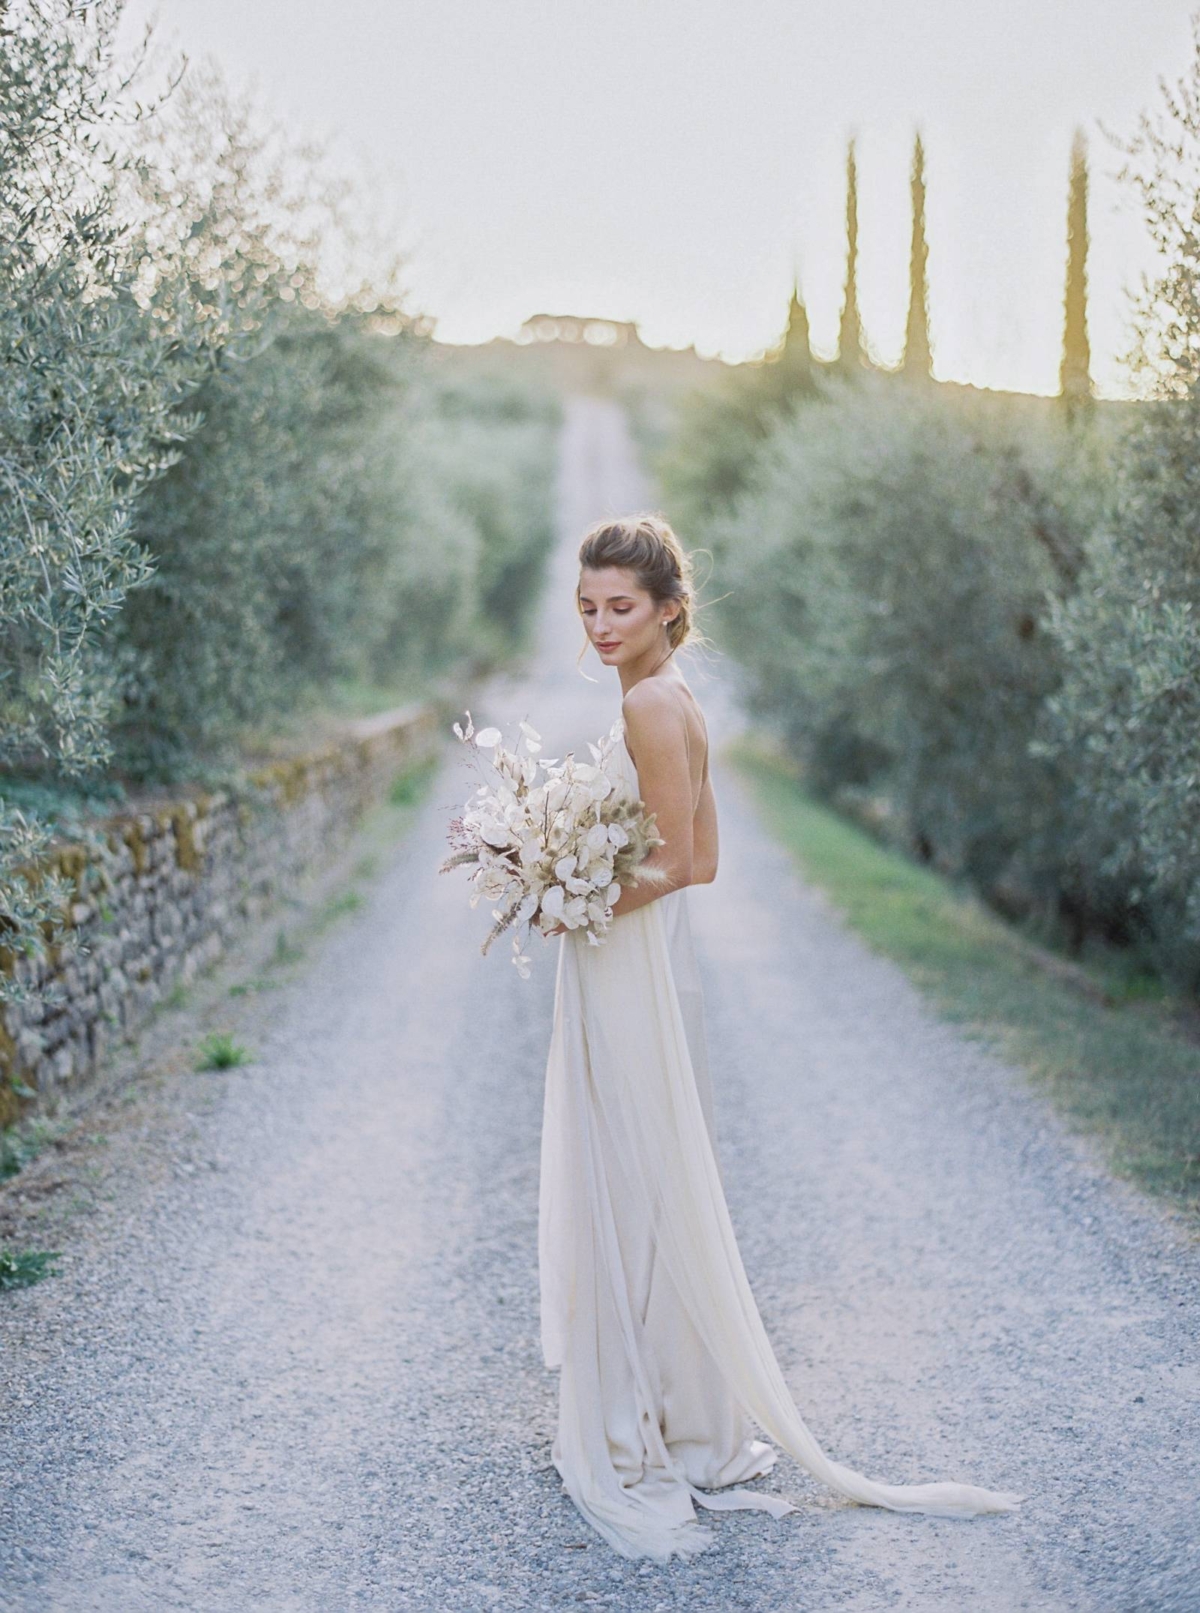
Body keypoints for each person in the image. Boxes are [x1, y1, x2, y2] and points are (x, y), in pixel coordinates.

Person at [536, 513, 1024, 1563]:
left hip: (629, 967)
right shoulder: (661, 695)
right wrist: (572, 876)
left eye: (620, 605)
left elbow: (680, 863)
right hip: (637, 963)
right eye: (587, 606)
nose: (601, 622)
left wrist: (569, 893)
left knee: (633, 1177)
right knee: (641, 1174)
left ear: (670, 605)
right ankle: (662, 1401)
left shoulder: (656, 704)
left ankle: (641, 1416)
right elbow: (693, 858)